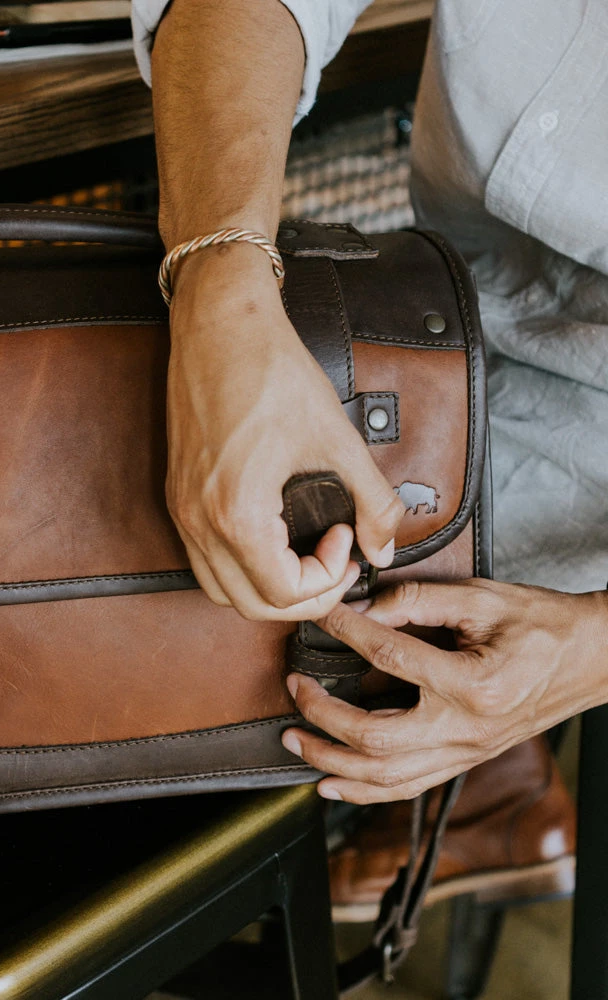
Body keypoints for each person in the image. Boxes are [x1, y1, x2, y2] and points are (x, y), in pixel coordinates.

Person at [130, 0, 608, 909]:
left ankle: (486, 780)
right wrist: (220, 293)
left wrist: (590, 654)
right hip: (445, 323)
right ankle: (489, 791)